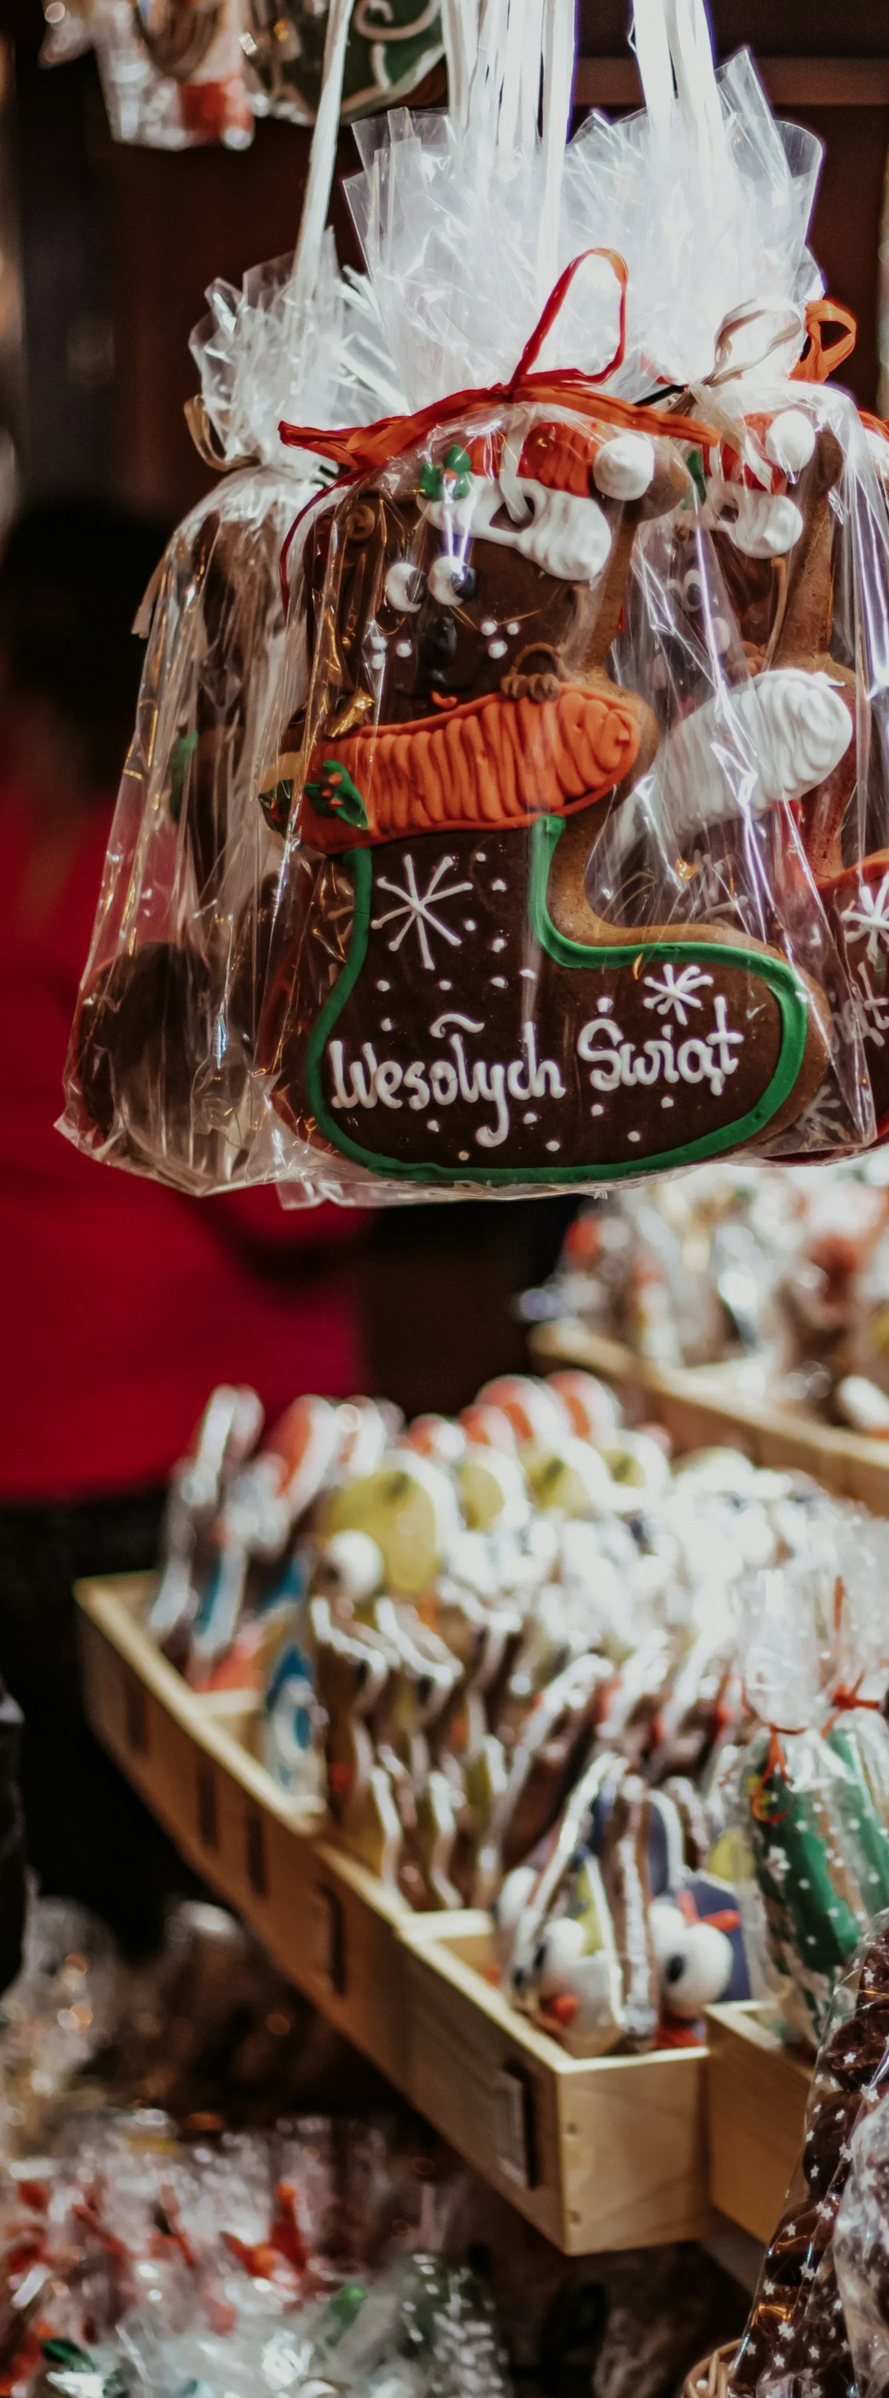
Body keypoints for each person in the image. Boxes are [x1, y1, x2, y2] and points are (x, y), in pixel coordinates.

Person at [0, 498, 363, 1946]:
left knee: (72, 1883)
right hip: (189, 1458)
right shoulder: (172, 869)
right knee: (228, 1883)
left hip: (25, 1448)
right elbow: (289, 1210)